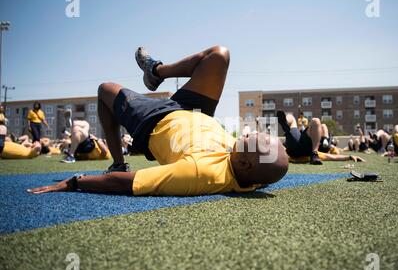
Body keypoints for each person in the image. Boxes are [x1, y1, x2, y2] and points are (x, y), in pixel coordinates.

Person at [28, 45, 289, 196]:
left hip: (155, 121)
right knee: (219, 55)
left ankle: (117, 162)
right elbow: (262, 173)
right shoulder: (253, 167)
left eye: (247, 140)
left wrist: (74, 182)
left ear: (243, 162)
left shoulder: (202, 173)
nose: (244, 136)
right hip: (195, 111)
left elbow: (131, 183)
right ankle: (156, 71)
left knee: (105, 89)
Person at [277, 111, 364, 164]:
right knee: (316, 120)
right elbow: (331, 157)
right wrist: (349, 157)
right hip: (303, 147)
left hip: (293, 148)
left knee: (291, 117)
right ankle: (314, 154)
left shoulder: (321, 147)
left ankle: (286, 123)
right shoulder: (320, 150)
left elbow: (331, 156)